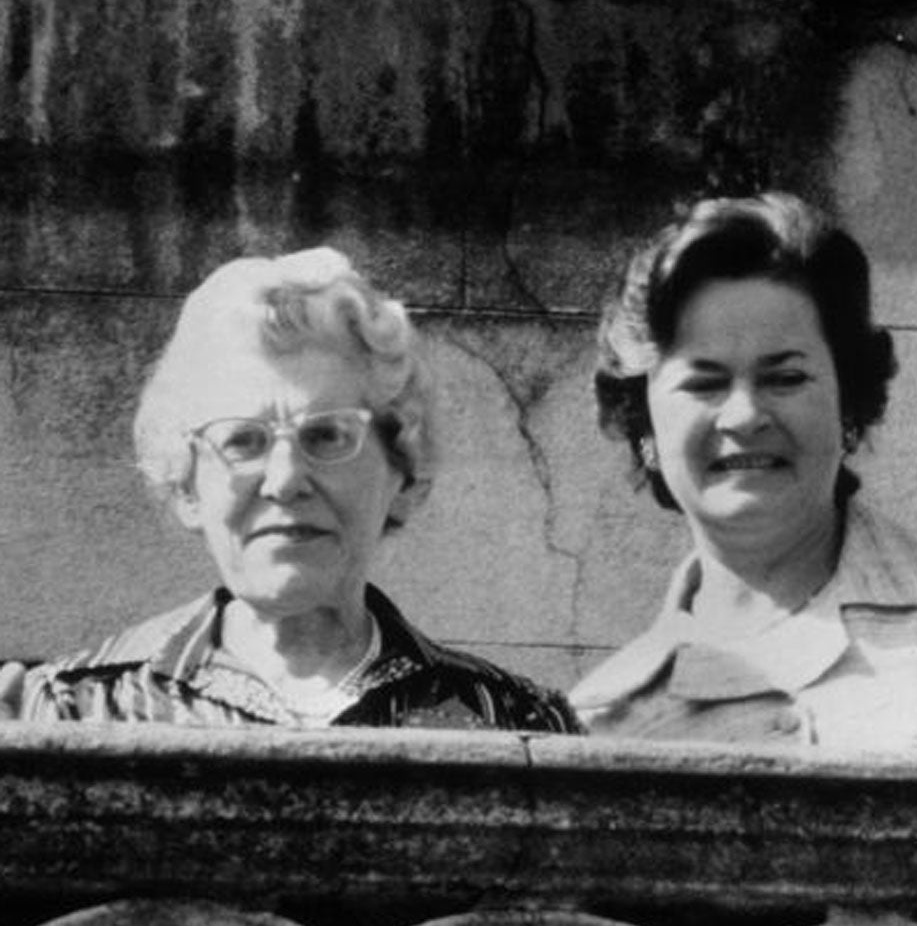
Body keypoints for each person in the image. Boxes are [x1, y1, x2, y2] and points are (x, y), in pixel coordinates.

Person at [571, 191, 917, 753]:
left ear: (848, 403)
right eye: (705, 383)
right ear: (644, 427)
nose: (744, 416)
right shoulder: (600, 718)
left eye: (786, 378)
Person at [2, 247, 575, 733]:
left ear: (402, 474)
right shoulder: (75, 711)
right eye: (244, 441)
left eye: (328, 435)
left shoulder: (515, 723)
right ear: (187, 486)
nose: (284, 480)